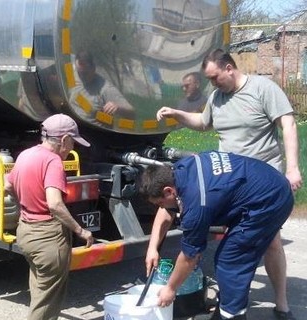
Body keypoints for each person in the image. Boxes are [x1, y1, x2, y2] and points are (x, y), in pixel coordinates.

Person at [152, 48, 302, 319]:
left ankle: (281, 304)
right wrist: (177, 113)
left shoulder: (262, 89)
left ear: (229, 68)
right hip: (228, 186)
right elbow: (202, 123)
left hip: (263, 184)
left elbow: (288, 125)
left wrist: (292, 168)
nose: (212, 83)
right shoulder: (217, 97)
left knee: (271, 243)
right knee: (234, 248)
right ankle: (231, 301)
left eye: (214, 77)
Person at [140, 151, 294, 320]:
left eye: (160, 202)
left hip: (270, 200)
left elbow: (190, 256)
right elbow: (166, 210)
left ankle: (232, 315)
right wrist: (152, 248)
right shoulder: (177, 171)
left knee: (231, 260)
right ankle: (228, 306)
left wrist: (170, 289)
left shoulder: (196, 205)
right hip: (264, 182)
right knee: (232, 259)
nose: (161, 206)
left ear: (169, 191)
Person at [5, 114, 94, 320]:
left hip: (26, 232)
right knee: (47, 304)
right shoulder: (53, 162)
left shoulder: (25, 154)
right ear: (64, 140)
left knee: (40, 290)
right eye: (72, 142)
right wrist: (80, 230)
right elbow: (54, 203)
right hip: (48, 238)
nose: (73, 148)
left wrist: (26, 203)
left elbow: (8, 185)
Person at [70, 51, 136, 120]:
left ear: (93, 69)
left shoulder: (106, 89)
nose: (81, 76)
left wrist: (118, 108)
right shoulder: (74, 75)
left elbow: (133, 114)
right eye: (79, 72)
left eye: (85, 73)